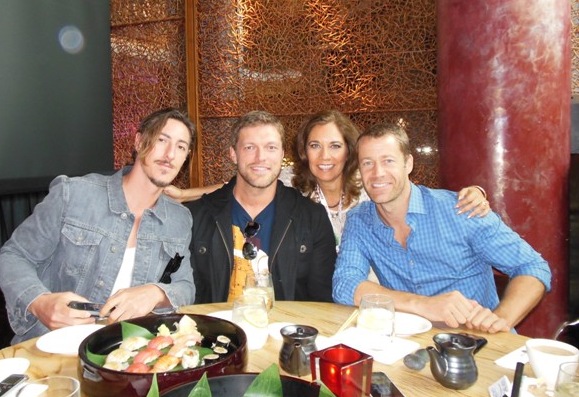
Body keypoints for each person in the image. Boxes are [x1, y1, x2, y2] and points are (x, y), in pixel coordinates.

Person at [0, 108, 197, 343]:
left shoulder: (179, 219)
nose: (170, 154)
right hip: (53, 345)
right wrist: (40, 302)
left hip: (127, 352)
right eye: (162, 140)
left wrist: (157, 293)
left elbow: (185, 286)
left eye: (181, 147)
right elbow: (13, 256)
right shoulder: (74, 194)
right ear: (139, 141)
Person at [332, 122, 551, 333]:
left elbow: (532, 266)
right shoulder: (360, 221)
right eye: (367, 163)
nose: (378, 172)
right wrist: (423, 305)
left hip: (477, 342)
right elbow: (345, 285)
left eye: (388, 160)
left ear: (408, 164)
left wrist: (500, 319)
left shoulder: (461, 210)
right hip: (411, 346)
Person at [166, 109, 490, 251]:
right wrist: (183, 195)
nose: (325, 156)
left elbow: (405, 191)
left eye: (335, 146)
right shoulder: (294, 180)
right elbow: (239, 185)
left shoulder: (370, 183)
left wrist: (474, 193)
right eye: (315, 145)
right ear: (303, 151)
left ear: (349, 150)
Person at [185, 110, 337, 303]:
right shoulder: (197, 216)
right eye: (249, 147)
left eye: (271, 148)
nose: (260, 157)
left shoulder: (311, 217)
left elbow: (322, 299)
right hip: (218, 330)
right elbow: (190, 298)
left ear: (282, 154)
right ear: (233, 154)